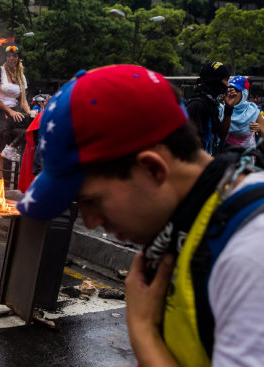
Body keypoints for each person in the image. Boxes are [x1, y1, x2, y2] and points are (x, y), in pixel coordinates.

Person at [17, 64, 264, 366]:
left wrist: (143, 332)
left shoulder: (250, 254)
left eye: (92, 201)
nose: (91, 221)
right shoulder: (192, 219)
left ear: (152, 169)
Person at [0, 44, 32, 159]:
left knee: (33, 124)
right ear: (6, 58)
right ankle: (4, 152)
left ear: (18, 58)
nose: (11, 58)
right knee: (5, 128)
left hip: (14, 112)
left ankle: (11, 148)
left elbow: (23, 101)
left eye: (14, 56)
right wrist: (10, 111)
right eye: (9, 56)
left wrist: (31, 113)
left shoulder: (21, 76)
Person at [186, 61, 231, 156]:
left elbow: (221, 135)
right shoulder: (197, 105)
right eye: (226, 80)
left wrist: (229, 108)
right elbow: (192, 145)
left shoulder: (212, 103)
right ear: (215, 81)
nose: (228, 85)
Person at [219, 76, 264, 149]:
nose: (232, 93)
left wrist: (260, 131)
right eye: (229, 89)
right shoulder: (221, 109)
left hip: (247, 157)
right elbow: (220, 135)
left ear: (244, 93)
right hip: (226, 157)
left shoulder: (253, 111)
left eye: (236, 90)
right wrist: (228, 108)